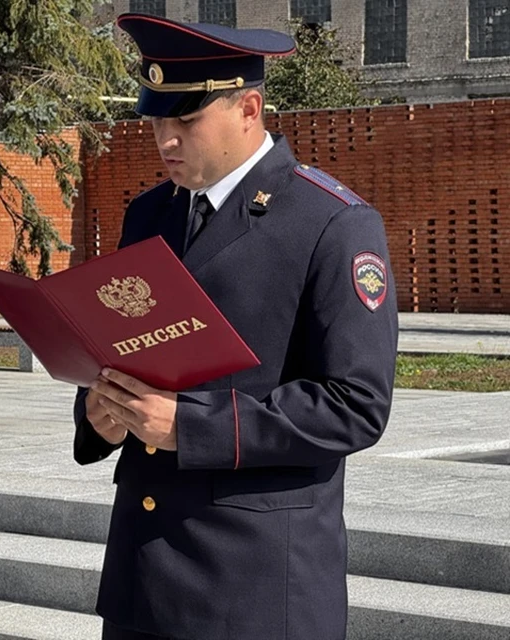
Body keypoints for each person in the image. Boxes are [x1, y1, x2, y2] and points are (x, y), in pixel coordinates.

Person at [74, 14, 398, 640]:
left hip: (253, 585)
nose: (165, 139)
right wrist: (98, 412)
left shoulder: (331, 222)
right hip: (143, 575)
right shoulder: (148, 215)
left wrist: (190, 427)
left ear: (249, 108)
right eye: (157, 120)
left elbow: (356, 404)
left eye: (186, 120)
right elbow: (123, 347)